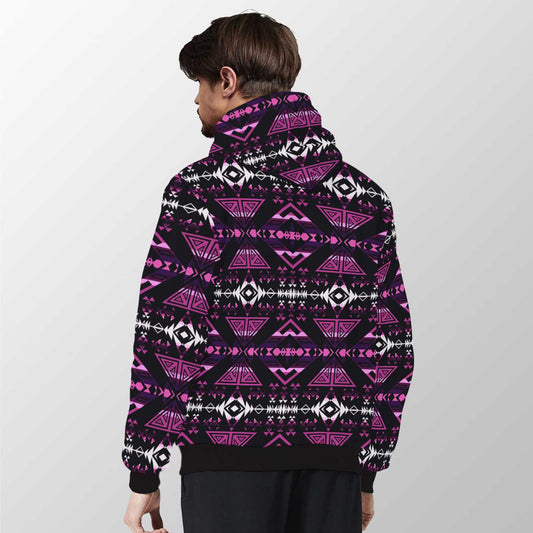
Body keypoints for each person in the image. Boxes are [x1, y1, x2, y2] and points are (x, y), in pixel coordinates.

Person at [122, 11, 415, 533]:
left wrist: (145, 469)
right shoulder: (366, 199)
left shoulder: (200, 191)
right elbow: (391, 344)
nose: (196, 100)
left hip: (225, 463)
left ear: (227, 81)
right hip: (336, 463)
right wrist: (366, 470)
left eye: (199, 84)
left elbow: (169, 333)